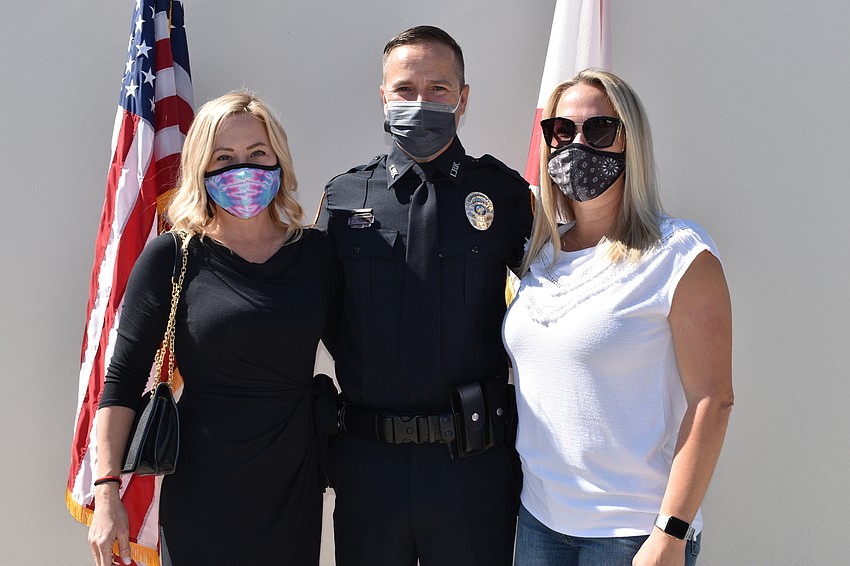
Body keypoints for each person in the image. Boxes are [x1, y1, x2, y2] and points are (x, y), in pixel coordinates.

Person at [87, 91, 337, 566]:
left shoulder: (318, 254)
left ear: (279, 159)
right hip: (204, 480)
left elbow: (360, 351)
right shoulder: (173, 255)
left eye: (257, 154)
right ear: (202, 168)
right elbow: (121, 380)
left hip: (292, 478)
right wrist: (106, 494)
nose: (243, 168)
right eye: (224, 157)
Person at [315, 25, 533, 566]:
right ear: (384, 98)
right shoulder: (344, 199)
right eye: (406, 89)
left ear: (463, 98)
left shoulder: (506, 196)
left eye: (438, 88)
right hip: (371, 467)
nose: (422, 100)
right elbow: (307, 311)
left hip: (472, 468)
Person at [503, 68, 734, 566]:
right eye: (562, 131)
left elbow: (712, 400)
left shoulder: (679, 254)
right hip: (540, 521)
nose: (576, 144)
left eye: (599, 129)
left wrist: (670, 533)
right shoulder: (539, 253)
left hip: (632, 532)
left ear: (632, 141)